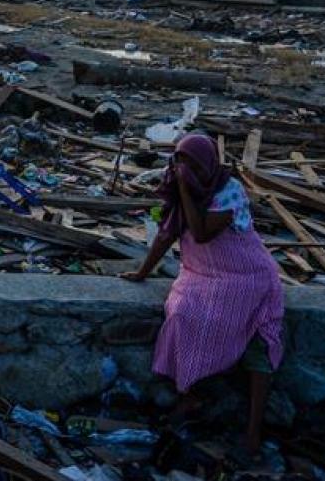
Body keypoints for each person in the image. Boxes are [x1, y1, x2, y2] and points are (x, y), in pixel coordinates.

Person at [121, 133, 283, 459]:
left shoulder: (229, 191)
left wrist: (184, 188)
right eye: (180, 162)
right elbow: (168, 232)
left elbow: (201, 232)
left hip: (247, 277)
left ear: (207, 164)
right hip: (203, 275)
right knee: (181, 314)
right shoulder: (179, 187)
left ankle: (252, 430)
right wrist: (142, 272)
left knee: (258, 343)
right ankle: (188, 393)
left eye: (192, 164)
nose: (184, 169)